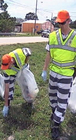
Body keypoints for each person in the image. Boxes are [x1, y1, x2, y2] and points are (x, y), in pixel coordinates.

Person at [41, 10, 76, 139]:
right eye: (58, 23)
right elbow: (49, 53)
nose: (60, 25)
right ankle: (54, 113)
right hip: (54, 73)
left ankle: (56, 125)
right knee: (52, 98)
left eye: (62, 22)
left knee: (62, 101)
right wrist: (45, 69)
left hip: (67, 75)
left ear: (68, 21)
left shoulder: (75, 37)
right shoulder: (52, 36)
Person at [0, 48, 31, 117]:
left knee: (26, 85)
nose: (6, 68)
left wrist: (25, 63)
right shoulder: (6, 70)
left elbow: (28, 52)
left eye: (7, 66)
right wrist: (5, 105)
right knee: (9, 87)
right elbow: (7, 87)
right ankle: (8, 104)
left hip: (22, 68)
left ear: (11, 61)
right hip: (13, 73)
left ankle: (29, 101)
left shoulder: (20, 54)